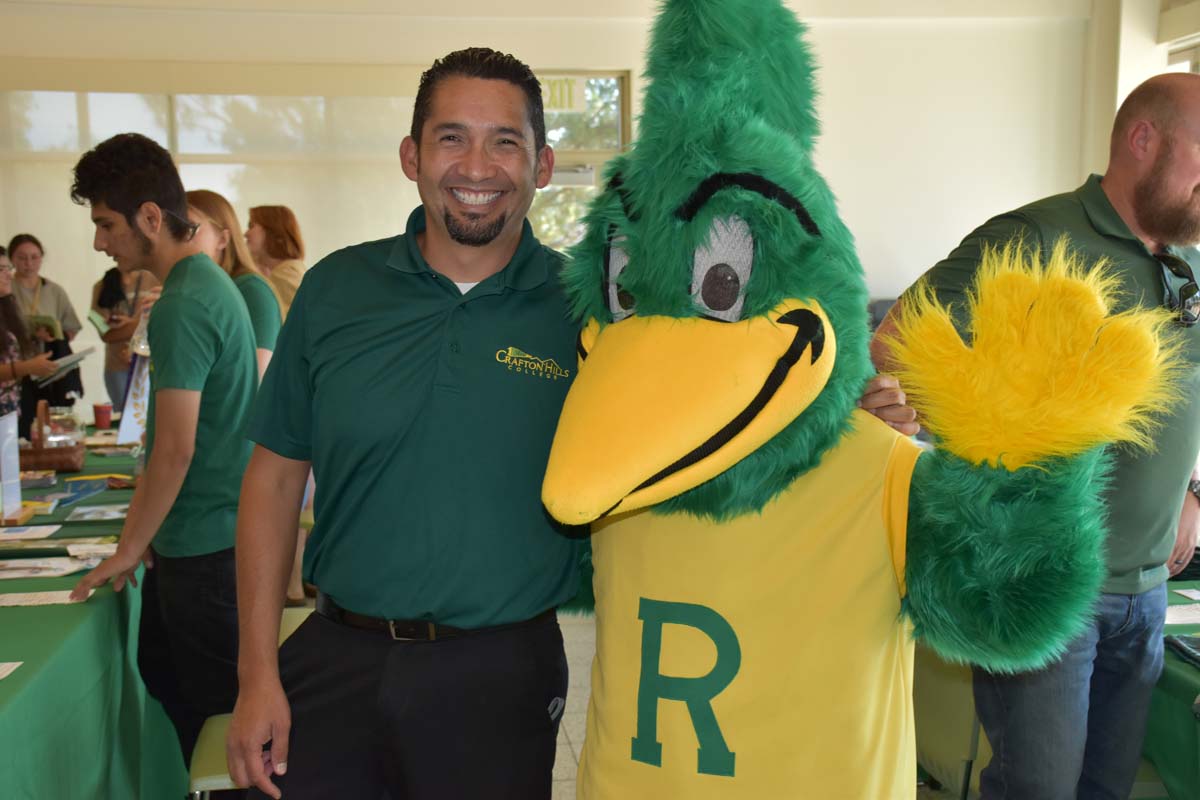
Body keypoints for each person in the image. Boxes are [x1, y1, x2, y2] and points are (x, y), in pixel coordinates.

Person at [226, 47, 585, 800]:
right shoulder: (335, 290)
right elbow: (274, 477)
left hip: (501, 672)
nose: (476, 165)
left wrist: (853, 406)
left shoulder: (585, 311)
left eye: (505, 141)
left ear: (542, 163)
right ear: (411, 155)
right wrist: (257, 671)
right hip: (330, 657)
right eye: (451, 137)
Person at [872, 72, 1200, 799]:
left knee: (1106, 789)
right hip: (1047, 590)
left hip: (1148, 590)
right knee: (1037, 790)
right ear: (1144, 140)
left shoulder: (1188, 263)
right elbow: (897, 342)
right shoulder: (1035, 237)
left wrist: (1192, 493)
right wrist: (991, 450)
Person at [67, 133, 259, 770]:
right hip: (210, 539)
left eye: (106, 224)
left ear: (152, 217)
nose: (99, 242)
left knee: (217, 732)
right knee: (199, 709)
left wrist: (126, 548)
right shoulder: (207, 286)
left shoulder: (183, 304)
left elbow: (174, 449)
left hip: (206, 551)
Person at [187, 189, 283, 379]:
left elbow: (253, 379)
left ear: (222, 239)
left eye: (191, 229)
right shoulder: (201, 290)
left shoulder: (252, 290)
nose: (179, 239)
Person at [8, 233, 84, 408]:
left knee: (53, 416)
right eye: (22, 258)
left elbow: (71, 328)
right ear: (12, 259)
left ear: (42, 258)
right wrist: (31, 334)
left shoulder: (54, 290)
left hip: (51, 365)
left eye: (34, 257)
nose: (29, 263)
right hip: (18, 366)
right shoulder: (6, 289)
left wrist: (54, 335)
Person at [92, 263, 159, 413]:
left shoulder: (154, 279)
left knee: (153, 415)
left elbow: (163, 319)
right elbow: (105, 334)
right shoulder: (101, 285)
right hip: (117, 366)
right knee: (124, 417)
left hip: (150, 362)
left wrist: (131, 324)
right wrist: (142, 323)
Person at [0, 245, 56, 417]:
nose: (9, 275)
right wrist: (29, 367)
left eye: (8, 268)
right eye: (1, 270)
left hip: (10, 406)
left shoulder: (6, 307)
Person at [245, 205, 305, 318]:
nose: (246, 234)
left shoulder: (285, 273)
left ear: (273, 231)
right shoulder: (288, 270)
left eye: (251, 226)